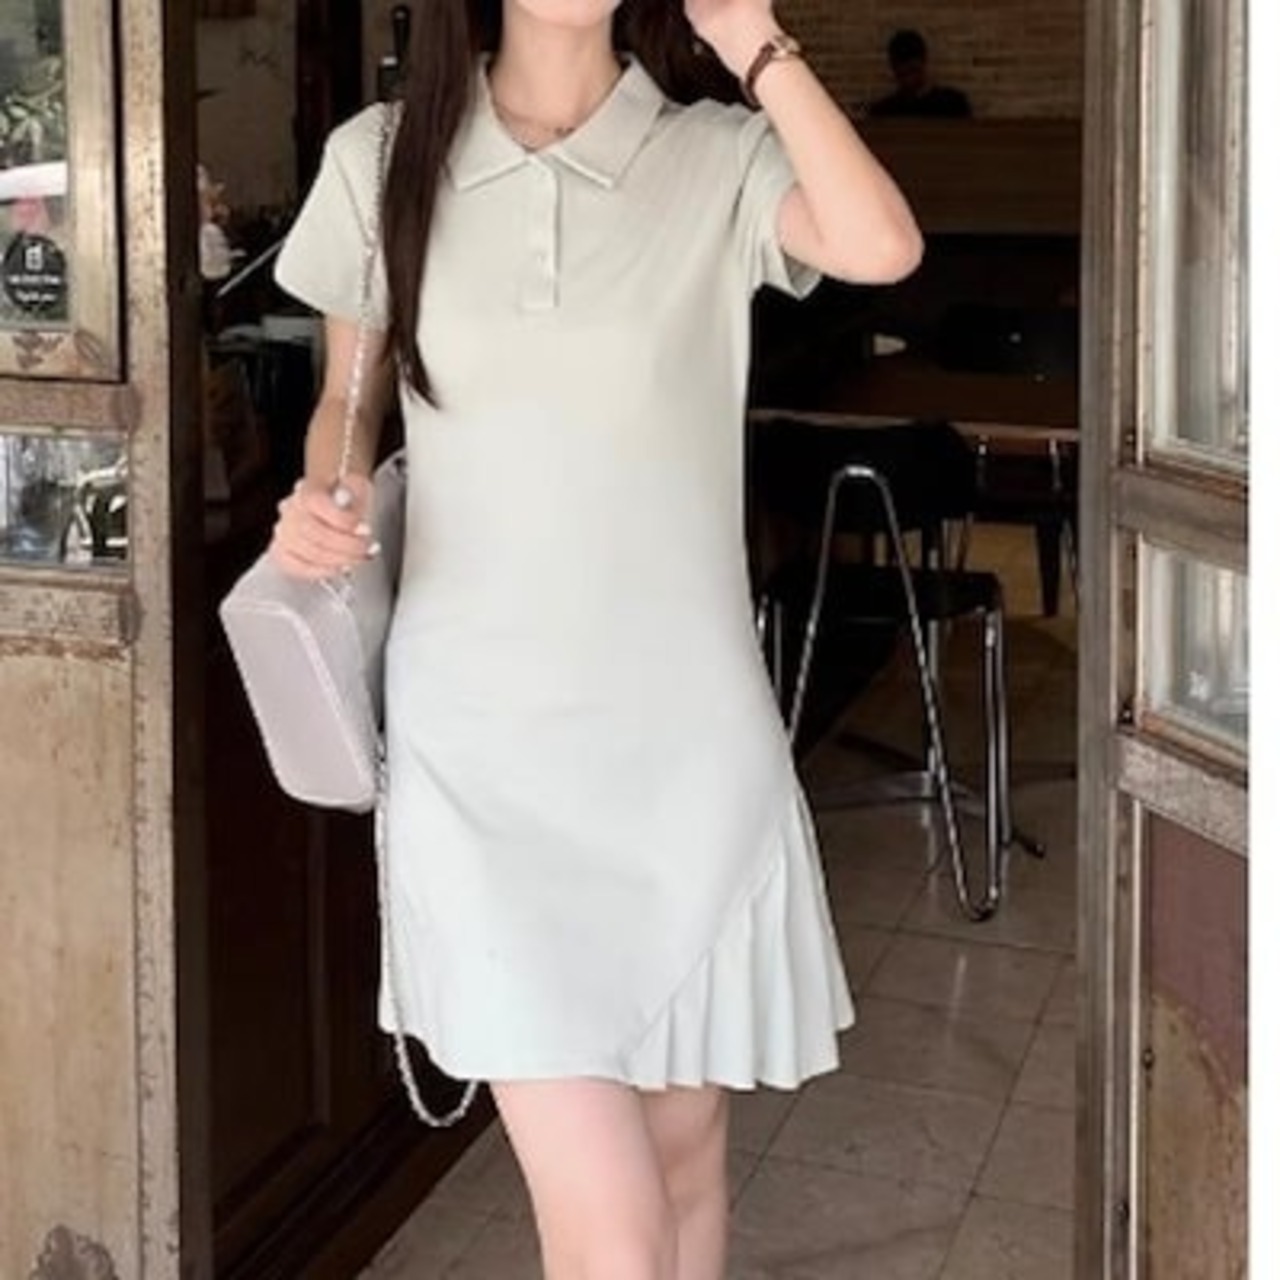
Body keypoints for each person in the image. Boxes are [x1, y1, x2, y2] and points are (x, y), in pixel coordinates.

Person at [269, 0, 922, 1275]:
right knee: (614, 1236)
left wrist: (750, 37)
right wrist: (323, 497)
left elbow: (879, 245)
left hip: (686, 749)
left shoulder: (717, 153)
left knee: (683, 1169)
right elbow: (347, 408)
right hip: (480, 753)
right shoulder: (380, 158)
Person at [868, 28, 972, 119]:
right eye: (902, 74)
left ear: (924, 63)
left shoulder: (954, 104)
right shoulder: (883, 112)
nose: (908, 80)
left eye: (913, 70)